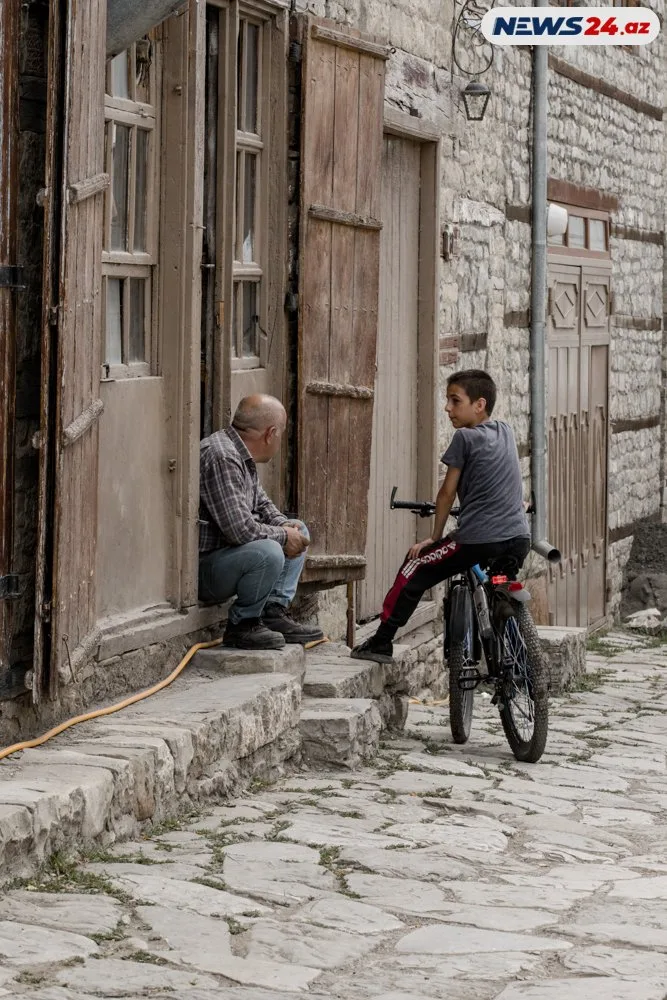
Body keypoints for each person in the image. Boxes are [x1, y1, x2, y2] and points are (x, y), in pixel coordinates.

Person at [351, 369, 530, 664]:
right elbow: (502, 476)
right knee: (500, 583)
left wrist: (435, 537)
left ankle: (381, 641)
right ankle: (514, 660)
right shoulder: (506, 431)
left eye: (454, 401)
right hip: (517, 538)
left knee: (416, 564)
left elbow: (447, 492)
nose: (447, 408)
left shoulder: (464, 437)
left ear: (479, 404)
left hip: (478, 540)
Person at [199, 394, 323, 650]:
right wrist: (283, 537)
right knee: (270, 552)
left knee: (296, 527)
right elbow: (240, 531)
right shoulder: (222, 456)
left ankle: (273, 612)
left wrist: (287, 527)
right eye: (282, 434)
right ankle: (242, 625)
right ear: (271, 433)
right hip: (207, 569)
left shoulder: (241, 454)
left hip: (230, 558)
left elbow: (263, 505)